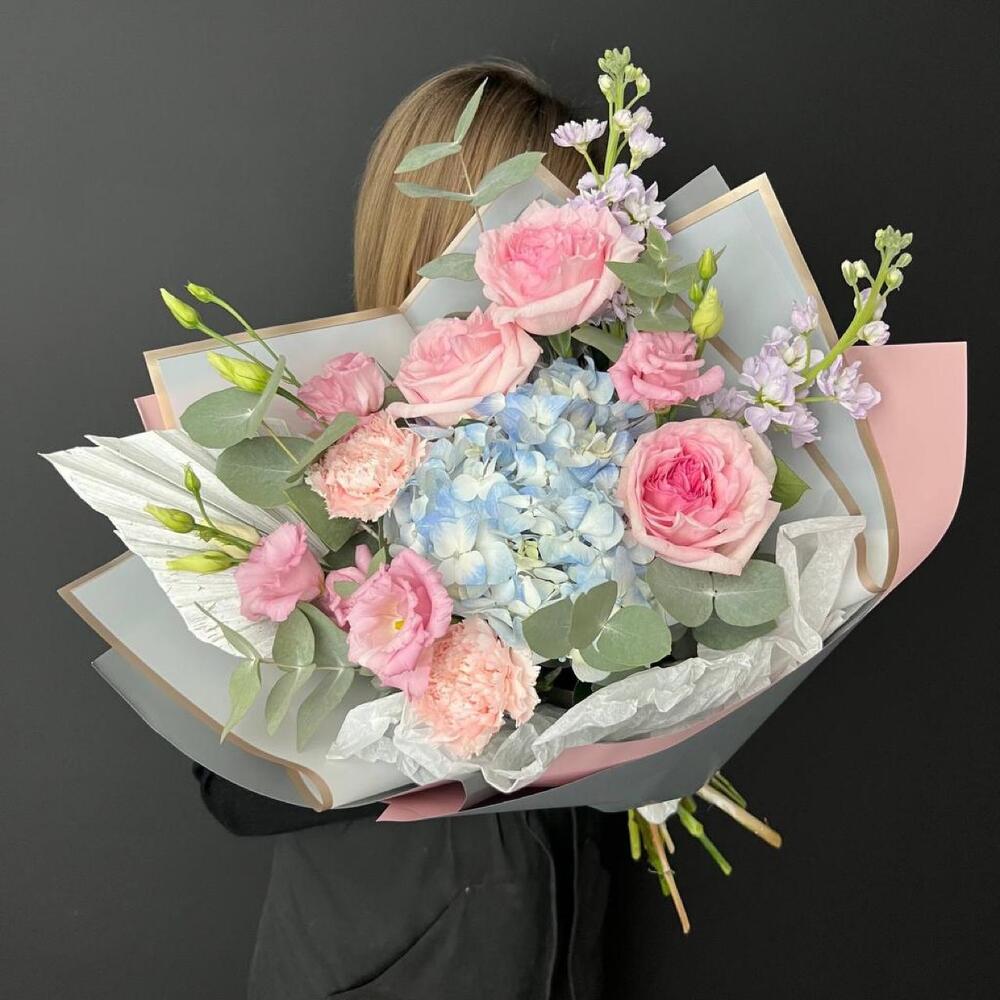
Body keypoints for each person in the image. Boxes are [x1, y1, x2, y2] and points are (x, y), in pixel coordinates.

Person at [196, 62, 613, 1000]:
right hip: (389, 947)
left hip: (553, 916)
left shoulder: (588, 420)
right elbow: (232, 787)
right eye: (544, 229)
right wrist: (434, 711)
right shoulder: (308, 444)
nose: (574, 259)